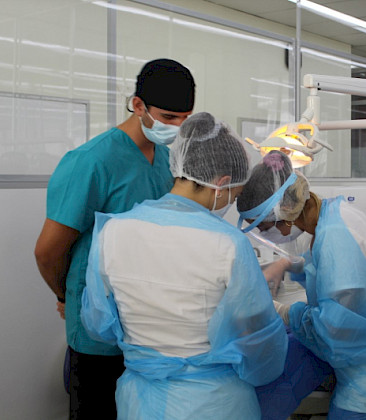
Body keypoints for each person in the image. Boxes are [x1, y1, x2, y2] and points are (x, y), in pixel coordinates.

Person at [81, 112, 288, 419]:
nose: (231, 201)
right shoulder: (228, 243)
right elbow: (258, 343)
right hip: (213, 404)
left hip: (140, 402)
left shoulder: (113, 231)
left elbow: (98, 323)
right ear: (222, 184)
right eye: (234, 194)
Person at [34, 58, 196, 419]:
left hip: (148, 325)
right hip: (99, 325)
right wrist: (67, 296)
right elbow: (47, 252)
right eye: (169, 117)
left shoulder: (167, 160)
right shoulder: (91, 161)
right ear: (138, 105)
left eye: (185, 119)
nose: (176, 127)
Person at [237, 150, 366, 419]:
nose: (266, 235)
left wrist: (282, 311)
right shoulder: (333, 213)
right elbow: (328, 270)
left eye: (264, 228)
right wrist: (286, 265)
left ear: (284, 213)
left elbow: (332, 331)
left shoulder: (336, 237)